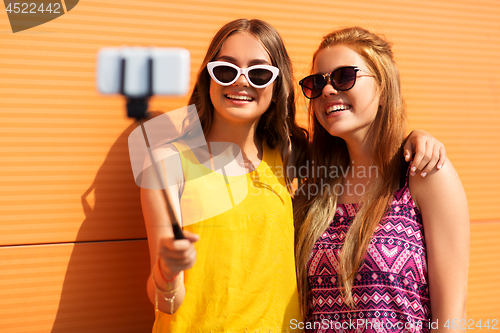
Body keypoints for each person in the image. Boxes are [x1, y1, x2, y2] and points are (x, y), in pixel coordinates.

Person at [140, 19, 448, 332]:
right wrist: (166, 275)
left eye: (259, 73)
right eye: (225, 70)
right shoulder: (168, 164)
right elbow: (165, 302)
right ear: (208, 77)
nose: (240, 82)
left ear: (277, 88)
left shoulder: (290, 157)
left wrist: (416, 137)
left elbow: (367, 146)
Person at [294, 27, 469, 332]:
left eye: (344, 76)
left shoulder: (424, 173)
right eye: (316, 83)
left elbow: (451, 319)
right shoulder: (313, 189)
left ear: (385, 90)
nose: (327, 91)